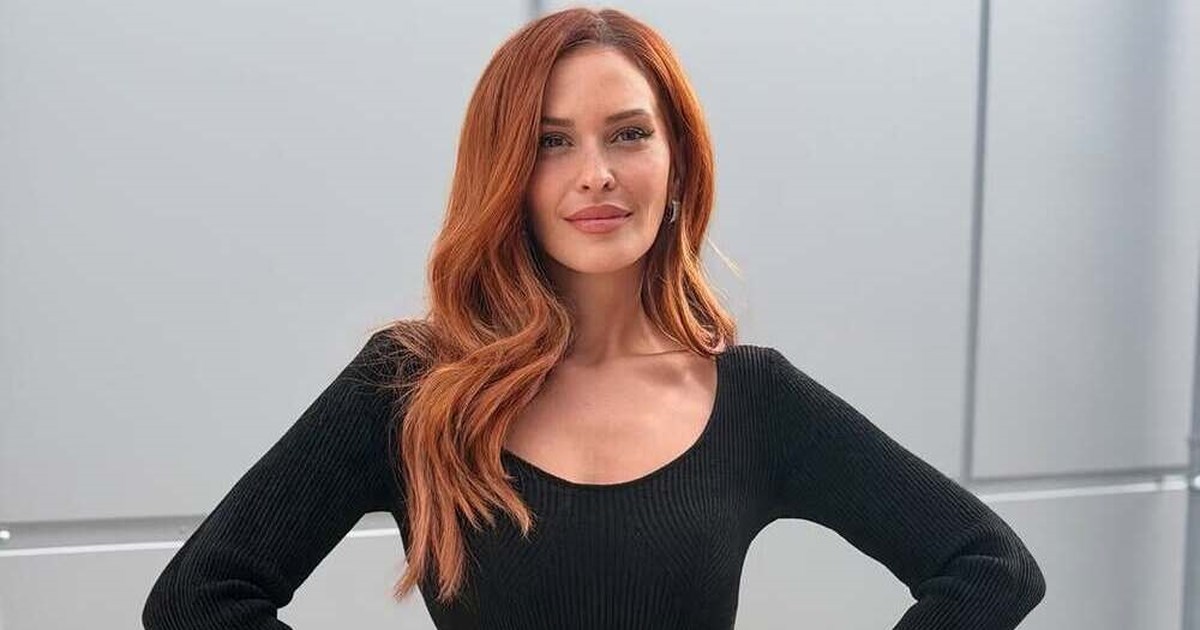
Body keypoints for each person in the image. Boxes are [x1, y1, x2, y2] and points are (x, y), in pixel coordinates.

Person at [142, 6, 1046, 629]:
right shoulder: (411, 386)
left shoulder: (755, 400)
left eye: (628, 133)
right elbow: (198, 601)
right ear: (506, 174)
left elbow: (989, 567)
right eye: (551, 142)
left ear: (677, 161)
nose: (597, 173)